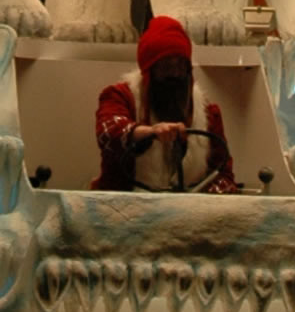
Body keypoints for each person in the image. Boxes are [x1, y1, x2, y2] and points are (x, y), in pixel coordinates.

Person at [93, 16, 237, 192]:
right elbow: (109, 132)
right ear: (149, 71)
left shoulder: (209, 115)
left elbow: (223, 174)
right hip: (125, 207)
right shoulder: (119, 97)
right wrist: (150, 132)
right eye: (166, 66)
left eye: (181, 66)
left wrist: (207, 199)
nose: (175, 74)